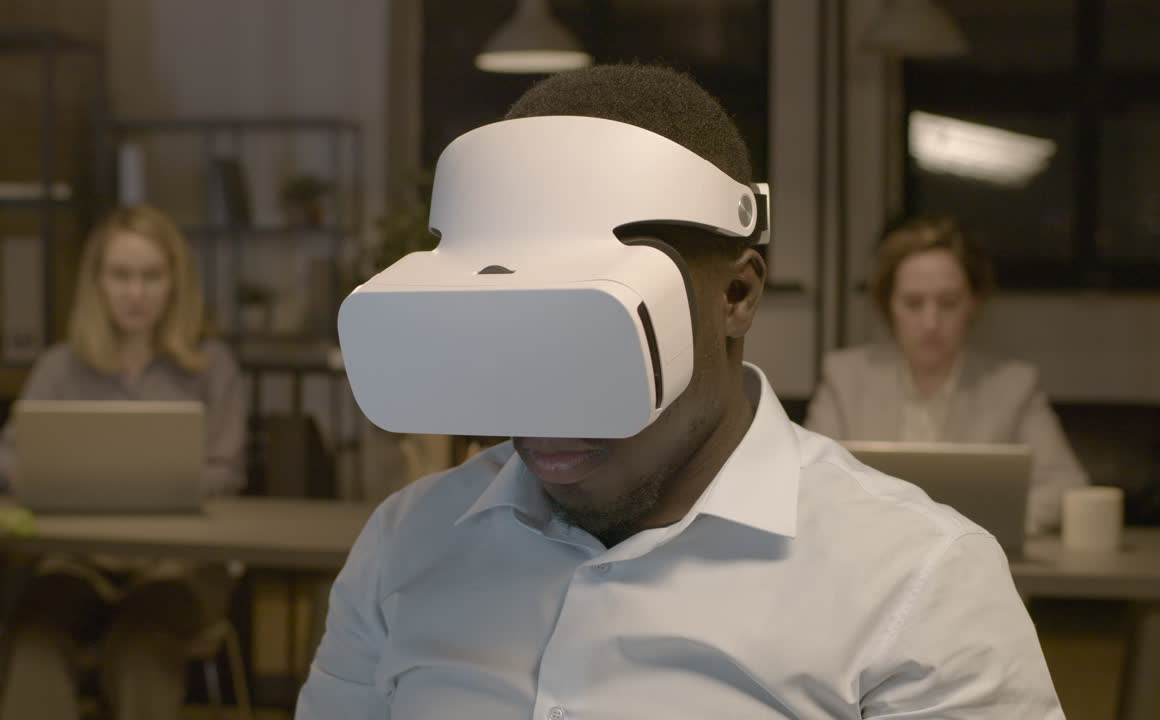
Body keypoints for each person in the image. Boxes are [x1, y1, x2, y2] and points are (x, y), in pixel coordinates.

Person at [298, 65, 1063, 718]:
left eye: (592, 336)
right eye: (511, 328)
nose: (543, 406)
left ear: (737, 294)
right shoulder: (408, 546)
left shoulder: (917, 585)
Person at [0, 203, 247, 720]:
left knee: (143, 646)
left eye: (151, 276)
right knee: (35, 641)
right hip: (77, 557)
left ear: (175, 281)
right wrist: (31, 477)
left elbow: (226, 469)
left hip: (179, 560)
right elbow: (0, 459)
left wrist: (151, 486)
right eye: (121, 275)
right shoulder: (60, 365)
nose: (135, 292)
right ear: (97, 282)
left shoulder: (213, 366)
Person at [804, 213, 1088, 534]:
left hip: (974, 565)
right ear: (888, 305)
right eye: (913, 303)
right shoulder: (846, 377)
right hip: (872, 565)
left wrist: (970, 531)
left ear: (973, 303)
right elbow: (811, 483)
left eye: (948, 303)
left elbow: (1067, 488)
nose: (930, 322)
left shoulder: (1013, 386)